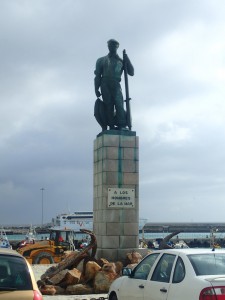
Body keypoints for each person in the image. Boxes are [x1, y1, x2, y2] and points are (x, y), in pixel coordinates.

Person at [94, 39, 134, 130]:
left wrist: (126, 58)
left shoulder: (121, 61)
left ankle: (122, 124)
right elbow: (97, 76)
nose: (111, 47)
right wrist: (96, 88)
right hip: (104, 83)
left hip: (116, 83)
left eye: (113, 45)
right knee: (109, 105)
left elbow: (131, 72)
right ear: (108, 46)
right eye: (109, 45)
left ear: (117, 47)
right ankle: (111, 125)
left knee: (119, 103)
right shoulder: (101, 60)